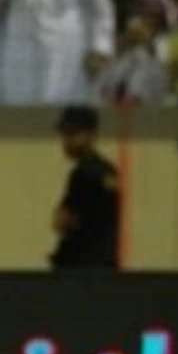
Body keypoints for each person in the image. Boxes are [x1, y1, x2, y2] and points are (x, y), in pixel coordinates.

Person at [51, 106, 120, 271]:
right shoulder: (109, 171)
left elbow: (62, 221)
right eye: (65, 135)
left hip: (79, 265)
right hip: (104, 264)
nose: (66, 141)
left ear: (91, 135)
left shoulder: (83, 173)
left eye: (73, 134)